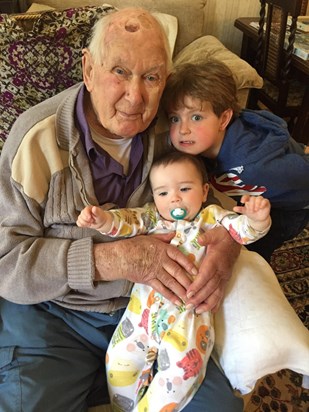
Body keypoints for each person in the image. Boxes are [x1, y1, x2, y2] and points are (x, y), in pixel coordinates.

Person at [0, 7, 243, 412]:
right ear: (88, 68)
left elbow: (214, 206)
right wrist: (112, 259)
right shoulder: (35, 140)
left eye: (151, 77)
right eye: (119, 72)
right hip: (55, 316)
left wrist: (226, 249)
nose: (136, 97)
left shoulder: (175, 130)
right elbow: (7, 263)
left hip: (151, 310)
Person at [77, 151, 271, 411]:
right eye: (163, 193)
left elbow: (243, 231)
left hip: (189, 317)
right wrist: (102, 220)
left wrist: (257, 219)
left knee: (180, 375)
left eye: (184, 188)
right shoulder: (152, 218)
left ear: (203, 192)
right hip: (140, 315)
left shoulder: (212, 218)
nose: (174, 198)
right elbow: (124, 222)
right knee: (119, 363)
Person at [162, 60, 309, 262]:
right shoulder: (202, 146)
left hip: (291, 207)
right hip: (256, 194)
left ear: (223, 119)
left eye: (196, 117)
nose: (183, 129)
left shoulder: (252, 165)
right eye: (175, 118)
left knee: (255, 249)